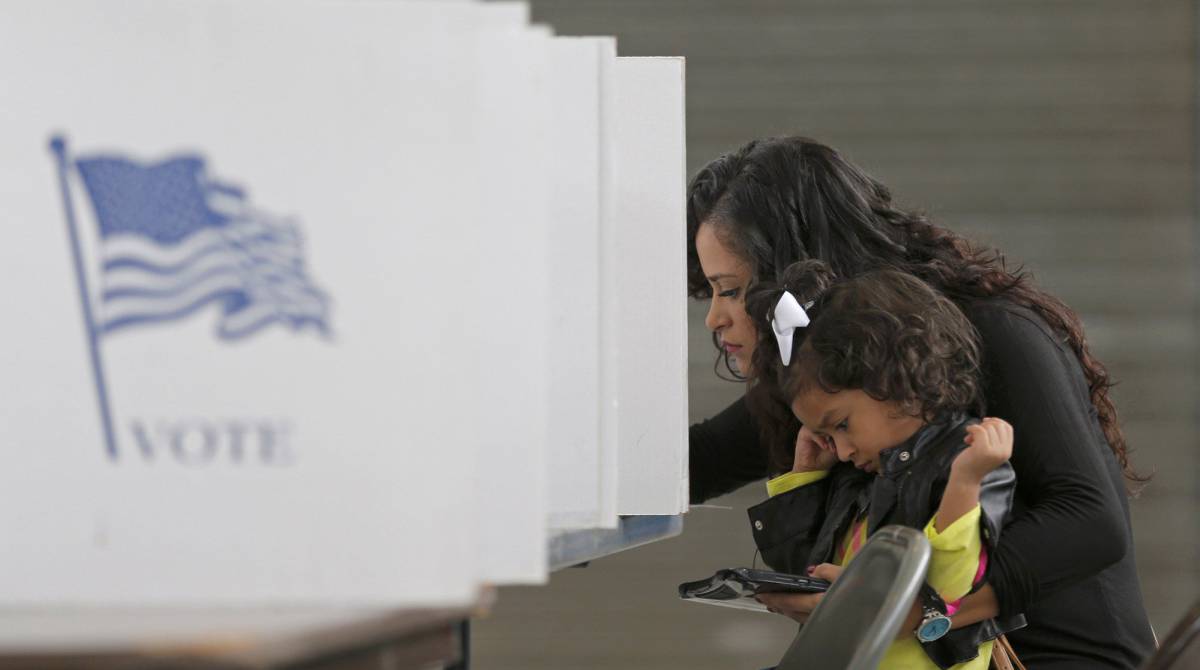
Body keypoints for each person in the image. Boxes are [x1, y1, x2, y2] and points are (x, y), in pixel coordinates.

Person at [688, 136, 1155, 668]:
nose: (715, 318)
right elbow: (700, 458)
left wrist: (912, 610)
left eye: (729, 289)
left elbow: (1091, 520)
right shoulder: (830, 387)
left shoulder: (988, 334)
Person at [745, 261, 1018, 668]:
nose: (840, 450)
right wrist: (802, 478)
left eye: (841, 424)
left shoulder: (965, 458)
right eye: (827, 434)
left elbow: (950, 587)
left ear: (894, 380)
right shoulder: (859, 477)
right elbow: (805, 569)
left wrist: (966, 480)